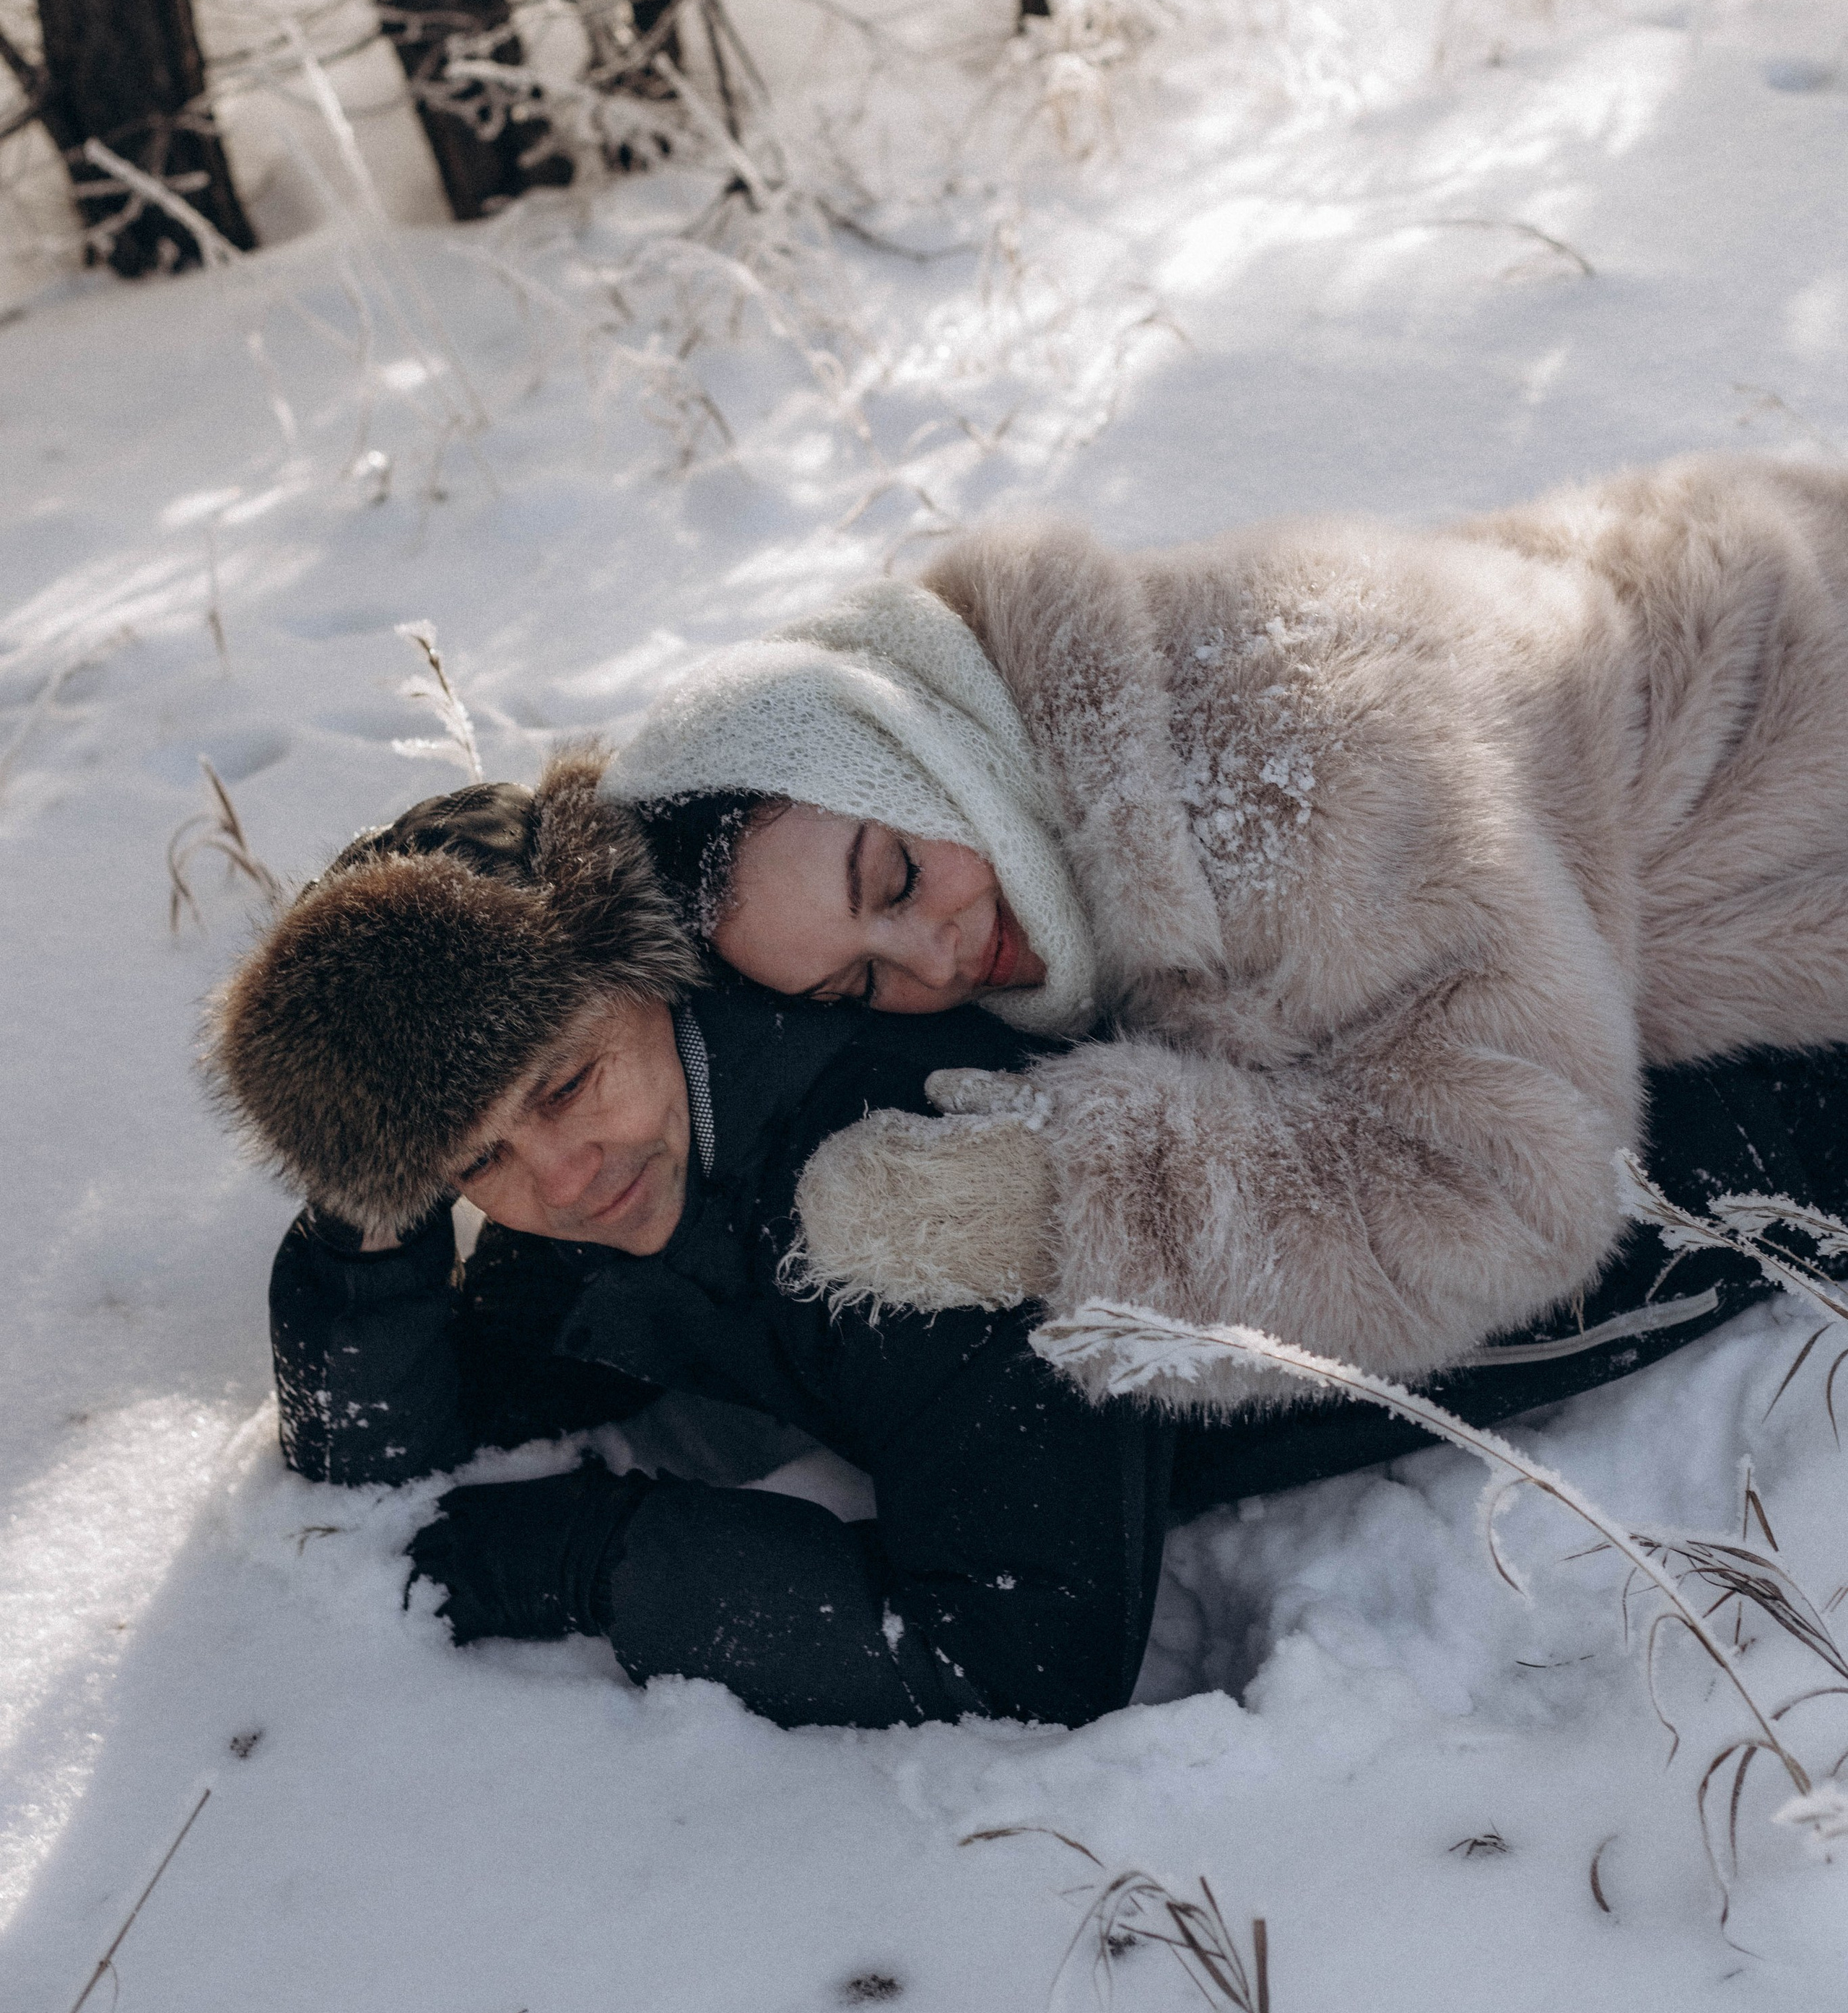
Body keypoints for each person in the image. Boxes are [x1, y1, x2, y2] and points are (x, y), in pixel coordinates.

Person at [210, 755, 1846, 1730]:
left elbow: (1019, 1642)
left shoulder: (897, 1183)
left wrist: (588, 1559)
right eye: (473, 1158)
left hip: (1666, 1166)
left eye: (566, 1083)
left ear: (653, 973)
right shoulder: (632, 1154)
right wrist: (368, 1219)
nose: (559, 1173)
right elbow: (390, 1447)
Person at [611, 453, 1848, 1410]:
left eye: (892, 879)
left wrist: (1061, 1199)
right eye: (856, 985)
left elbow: (1522, 1188)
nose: (933, 961)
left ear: (930, 743)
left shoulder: (1297, 765)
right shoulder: (1087, 771)